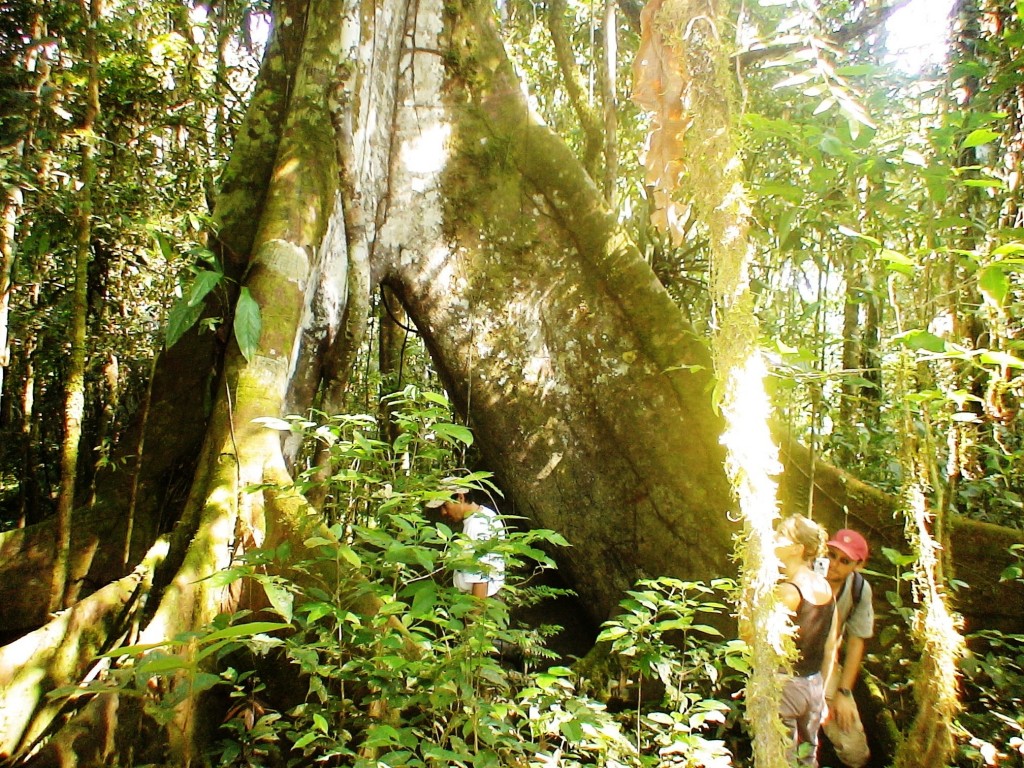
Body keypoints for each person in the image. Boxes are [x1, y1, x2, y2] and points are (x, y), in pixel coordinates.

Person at [774, 514, 838, 767]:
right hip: (813, 685)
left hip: (787, 685)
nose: (774, 539)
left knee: (781, 759)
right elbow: (831, 645)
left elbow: (763, 642)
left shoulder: (789, 592)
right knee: (808, 759)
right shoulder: (825, 588)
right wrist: (823, 692)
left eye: (781, 535)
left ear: (797, 549)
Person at [821, 528, 874, 768]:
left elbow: (856, 642)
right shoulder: (805, 573)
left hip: (826, 667)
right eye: (831, 555)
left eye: (845, 561)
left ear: (857, 565)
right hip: (789, 664)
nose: (834, 564)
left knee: (854, 750)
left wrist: (844, 692)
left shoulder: (858, 590)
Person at [426, 486, 506, 598]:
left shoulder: (476, 526)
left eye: (445, 505)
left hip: (481, 601)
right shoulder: (487, 514)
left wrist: (474, 615)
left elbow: (480, 580)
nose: (443, 512)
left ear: (460, 497)